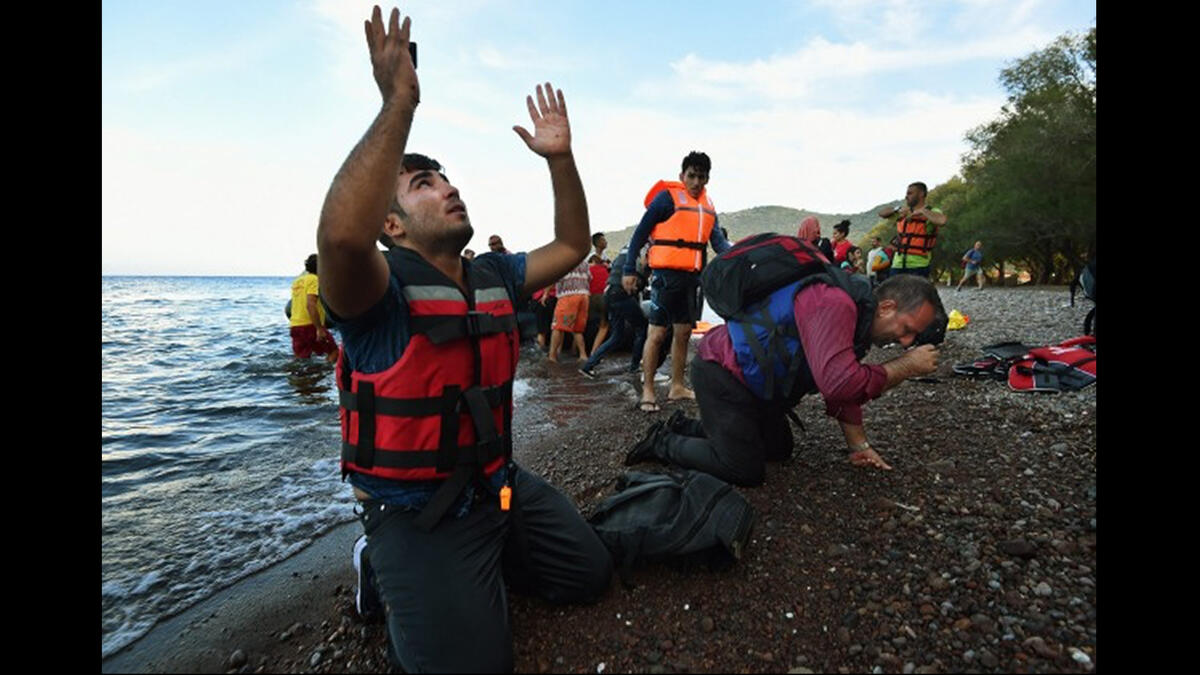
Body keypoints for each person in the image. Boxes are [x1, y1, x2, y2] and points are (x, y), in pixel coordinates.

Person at [315, 9, 610, 671]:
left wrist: (561, 159)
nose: (448, 187)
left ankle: (475, 567)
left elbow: (568, 244)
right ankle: (378, 562)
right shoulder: (378, 297)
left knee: (588, 575)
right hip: (415, 510)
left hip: (495, 483)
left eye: (447, 178)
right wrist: (399, 101)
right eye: (425, 184)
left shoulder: (494, 275)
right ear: (389, 222)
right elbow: (339, 238)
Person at [625, 272, 946, 487]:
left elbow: (841, 390)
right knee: (744, 469)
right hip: (721, 372)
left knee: (779, 449)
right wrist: (905, 367)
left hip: (759, 388)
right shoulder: (834, 304)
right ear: (887, 307)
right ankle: (662, 442)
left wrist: (858, 447)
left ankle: (686, 426)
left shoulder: (858, 320)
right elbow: (840, 383)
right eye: (907, 330)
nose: (905, 342)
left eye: (913, 337)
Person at [623, 151, 733, 412]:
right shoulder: (666, 199)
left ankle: (677, 386)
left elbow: (718, 243)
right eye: (692, 176)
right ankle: (648, 390)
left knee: (683, 332)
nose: (696, 183)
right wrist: (629, 269)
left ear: (707, 180)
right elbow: (639, 234)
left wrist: (741, 257)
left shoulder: (708, 207)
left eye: (702, 178)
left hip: (691, 277)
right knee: (658, 333)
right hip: (664, 277)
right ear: (682, 175)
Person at [579, 244, 650, 378]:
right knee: (642, 328)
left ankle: (588, 366)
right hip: (621, 293)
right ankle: (635, 366)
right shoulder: (644, 249)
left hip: (609, 293)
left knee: (617, 336)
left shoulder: (624, 250)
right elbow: (643, 267)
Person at [878, 182, 947, 278]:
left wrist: (922, 211)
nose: (906, 196)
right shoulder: (902, 212)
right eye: (907, 193)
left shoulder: (932, 212)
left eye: (910, 193)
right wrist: (897, 209)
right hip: (897, 265)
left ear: (921, 194)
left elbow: (942, 220)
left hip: (919, 266)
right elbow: (882, 213)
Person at [289, 253, 339, 364]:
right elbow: (310, 304)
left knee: (301, 359)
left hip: (295, 326)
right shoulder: (315, 280)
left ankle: (306, 379)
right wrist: (319, 329)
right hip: (310, 325)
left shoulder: (297, 282)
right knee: (334, 351)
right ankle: (323, 376)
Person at [549, 257, 591, 362]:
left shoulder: (563, 261)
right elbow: (590, 278)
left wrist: (545, 293)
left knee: (557, 327)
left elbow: (553, 278)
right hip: (584, 296)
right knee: (577, 329)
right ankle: (583, 355)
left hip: (568, 295)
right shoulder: (584, 262)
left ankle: (552, 356)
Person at [587, 253, 610, 353]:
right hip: (604, 298)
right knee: (604, 326)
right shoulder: (605, 270)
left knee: (583, 324)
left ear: (593, 262)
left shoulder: (589, 270)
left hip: (590, 298)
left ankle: (577, 350)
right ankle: (594, 351)